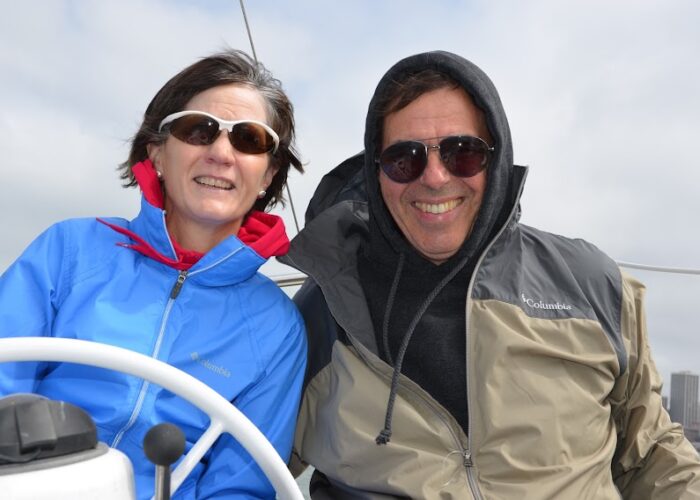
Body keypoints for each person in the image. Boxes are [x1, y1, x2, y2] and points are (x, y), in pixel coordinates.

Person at [280, 50, 700, 498]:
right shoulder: (326, 308)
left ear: (496, 159)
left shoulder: (590, 284)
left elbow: (651, 454)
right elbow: (249, 463)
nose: (435, 177)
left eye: (463, 153)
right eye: (405, 158)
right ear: (376, 172)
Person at [0, 49, 307, 499]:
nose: (221, 153)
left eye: (249, 139)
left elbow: (240, 486)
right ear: (158, 153)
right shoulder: (70, 250)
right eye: (198, 130)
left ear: (268, 175)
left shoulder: (277, 327)